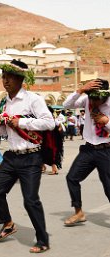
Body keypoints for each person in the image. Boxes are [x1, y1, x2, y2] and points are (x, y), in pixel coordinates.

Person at [0, 60, 54, 253]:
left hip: (31, 157)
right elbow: (3, 133)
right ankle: (8, 223)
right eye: (3, 77)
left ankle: (42, 240)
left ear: (20, 79)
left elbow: (49, 123)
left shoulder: (32, 99)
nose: (5, 80)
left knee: (30, 200)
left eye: (9, 77)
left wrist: (22, 122)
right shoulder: (4, 102)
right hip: (11, 156)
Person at [63, 79, 110, 226]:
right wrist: (81, 90)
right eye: (92, 97)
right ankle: (78, 212)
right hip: (89, 149)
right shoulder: (86, 99)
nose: (94, 102)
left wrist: (106, 121)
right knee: (72, 177)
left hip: (107, 150)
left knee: (109, 186)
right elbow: (67, 105)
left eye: (97, 98)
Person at [42, 106, 64, 175]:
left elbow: (60, 126)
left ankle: (54, 169)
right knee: (42, 151)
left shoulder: (52, 119)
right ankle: (42, 167)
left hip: (51, 139)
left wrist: (57, 131)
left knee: (51, 152)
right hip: (46, 138)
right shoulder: (46, 118)